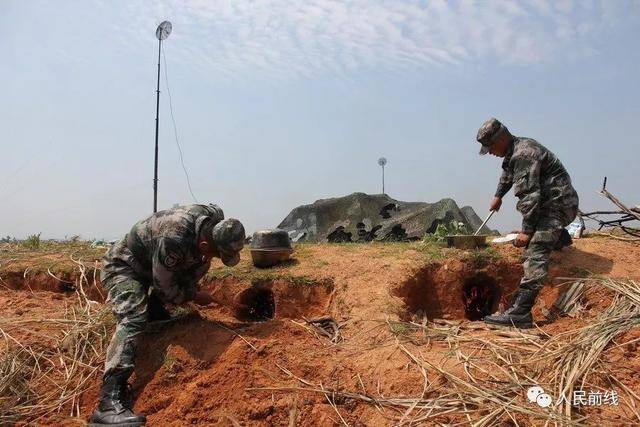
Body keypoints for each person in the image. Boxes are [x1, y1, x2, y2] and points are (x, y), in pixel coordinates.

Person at [90, 204, 245, 426]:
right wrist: (193, 295)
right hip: (126, 265)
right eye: (216, 254)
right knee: (133, 319)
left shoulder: (214, 217)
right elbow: (166, 290)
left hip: (155, 263)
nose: (216, 259)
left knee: (163, 320)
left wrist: (192, 286)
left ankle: (152, 310)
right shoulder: (174, 240)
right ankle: (108, 403)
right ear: (204, 243)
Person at [476, 118, 579, 329]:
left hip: (557, 206)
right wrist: (498, 196)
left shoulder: (524, 153)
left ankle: (521, 312)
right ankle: (558, 236)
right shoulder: (514, 149)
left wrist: (527, 231)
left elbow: (530, 195)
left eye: (491, 147)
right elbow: (508, 172)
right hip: (549, 204)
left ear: (502, 138)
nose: (491, 153)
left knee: (536, 250)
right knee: (537, 235)